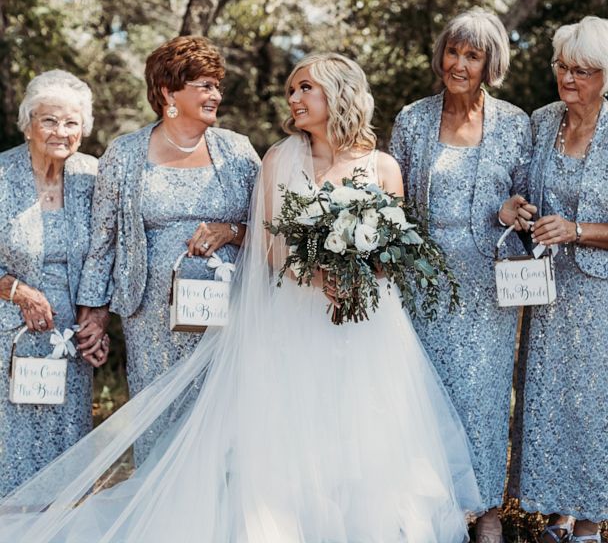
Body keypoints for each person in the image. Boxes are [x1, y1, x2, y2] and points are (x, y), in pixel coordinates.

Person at [0, 53, 481, 542]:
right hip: (269, 313)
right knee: (289, 435)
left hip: (361, 321)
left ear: (338, 93)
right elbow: (271, 247)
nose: (292, 99)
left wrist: (357, 274)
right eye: (291, 90)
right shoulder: (277, 158)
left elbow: (389, 246)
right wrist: (317, 276)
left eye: (303, 89)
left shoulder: (377, 166)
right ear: (169, 93)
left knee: (363, 430)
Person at [75, 35, 261, 462]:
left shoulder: (238, 151)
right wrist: (95, 313)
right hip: (152, 323)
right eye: (204, 85)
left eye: (217, 85)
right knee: (161, 431)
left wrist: (230, 230)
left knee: (226, 430)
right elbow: (103, 242)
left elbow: (269, 231)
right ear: (167, 92)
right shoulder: (123, 155)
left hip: (228, 318)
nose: (216, 94)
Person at [389, 9, 532, 542]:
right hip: (419, 280)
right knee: (421, 394)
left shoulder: (515, 123)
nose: (459, 63)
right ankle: (426, 511)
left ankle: (486, 513)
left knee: (483, 397)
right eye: (453, 51)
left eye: (473, 55)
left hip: (486, 285)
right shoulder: (412, 118)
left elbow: (524, 197)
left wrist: (515, 210)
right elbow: (391, 199)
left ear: (490, 63)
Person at [508, 16, 608, 543]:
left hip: (599, 290)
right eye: (562, 67)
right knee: (548, 396)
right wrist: (518, 207)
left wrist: (577, 229)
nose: (569, 80)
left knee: (594, 401)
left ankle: (591, 520)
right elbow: (523, 182)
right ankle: (556, 515)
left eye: (583, 71)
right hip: (547, 285)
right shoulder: (543, 120)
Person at [0, 70, 108, 497]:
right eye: (49, 121)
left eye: (71, 123)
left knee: (67, 449)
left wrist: (97, 317)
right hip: (8, 330)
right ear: (28, 124)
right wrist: (17, 291)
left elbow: (106, 252)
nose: (60, 132)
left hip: (70, 338)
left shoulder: (92, 176)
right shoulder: (1, 175)